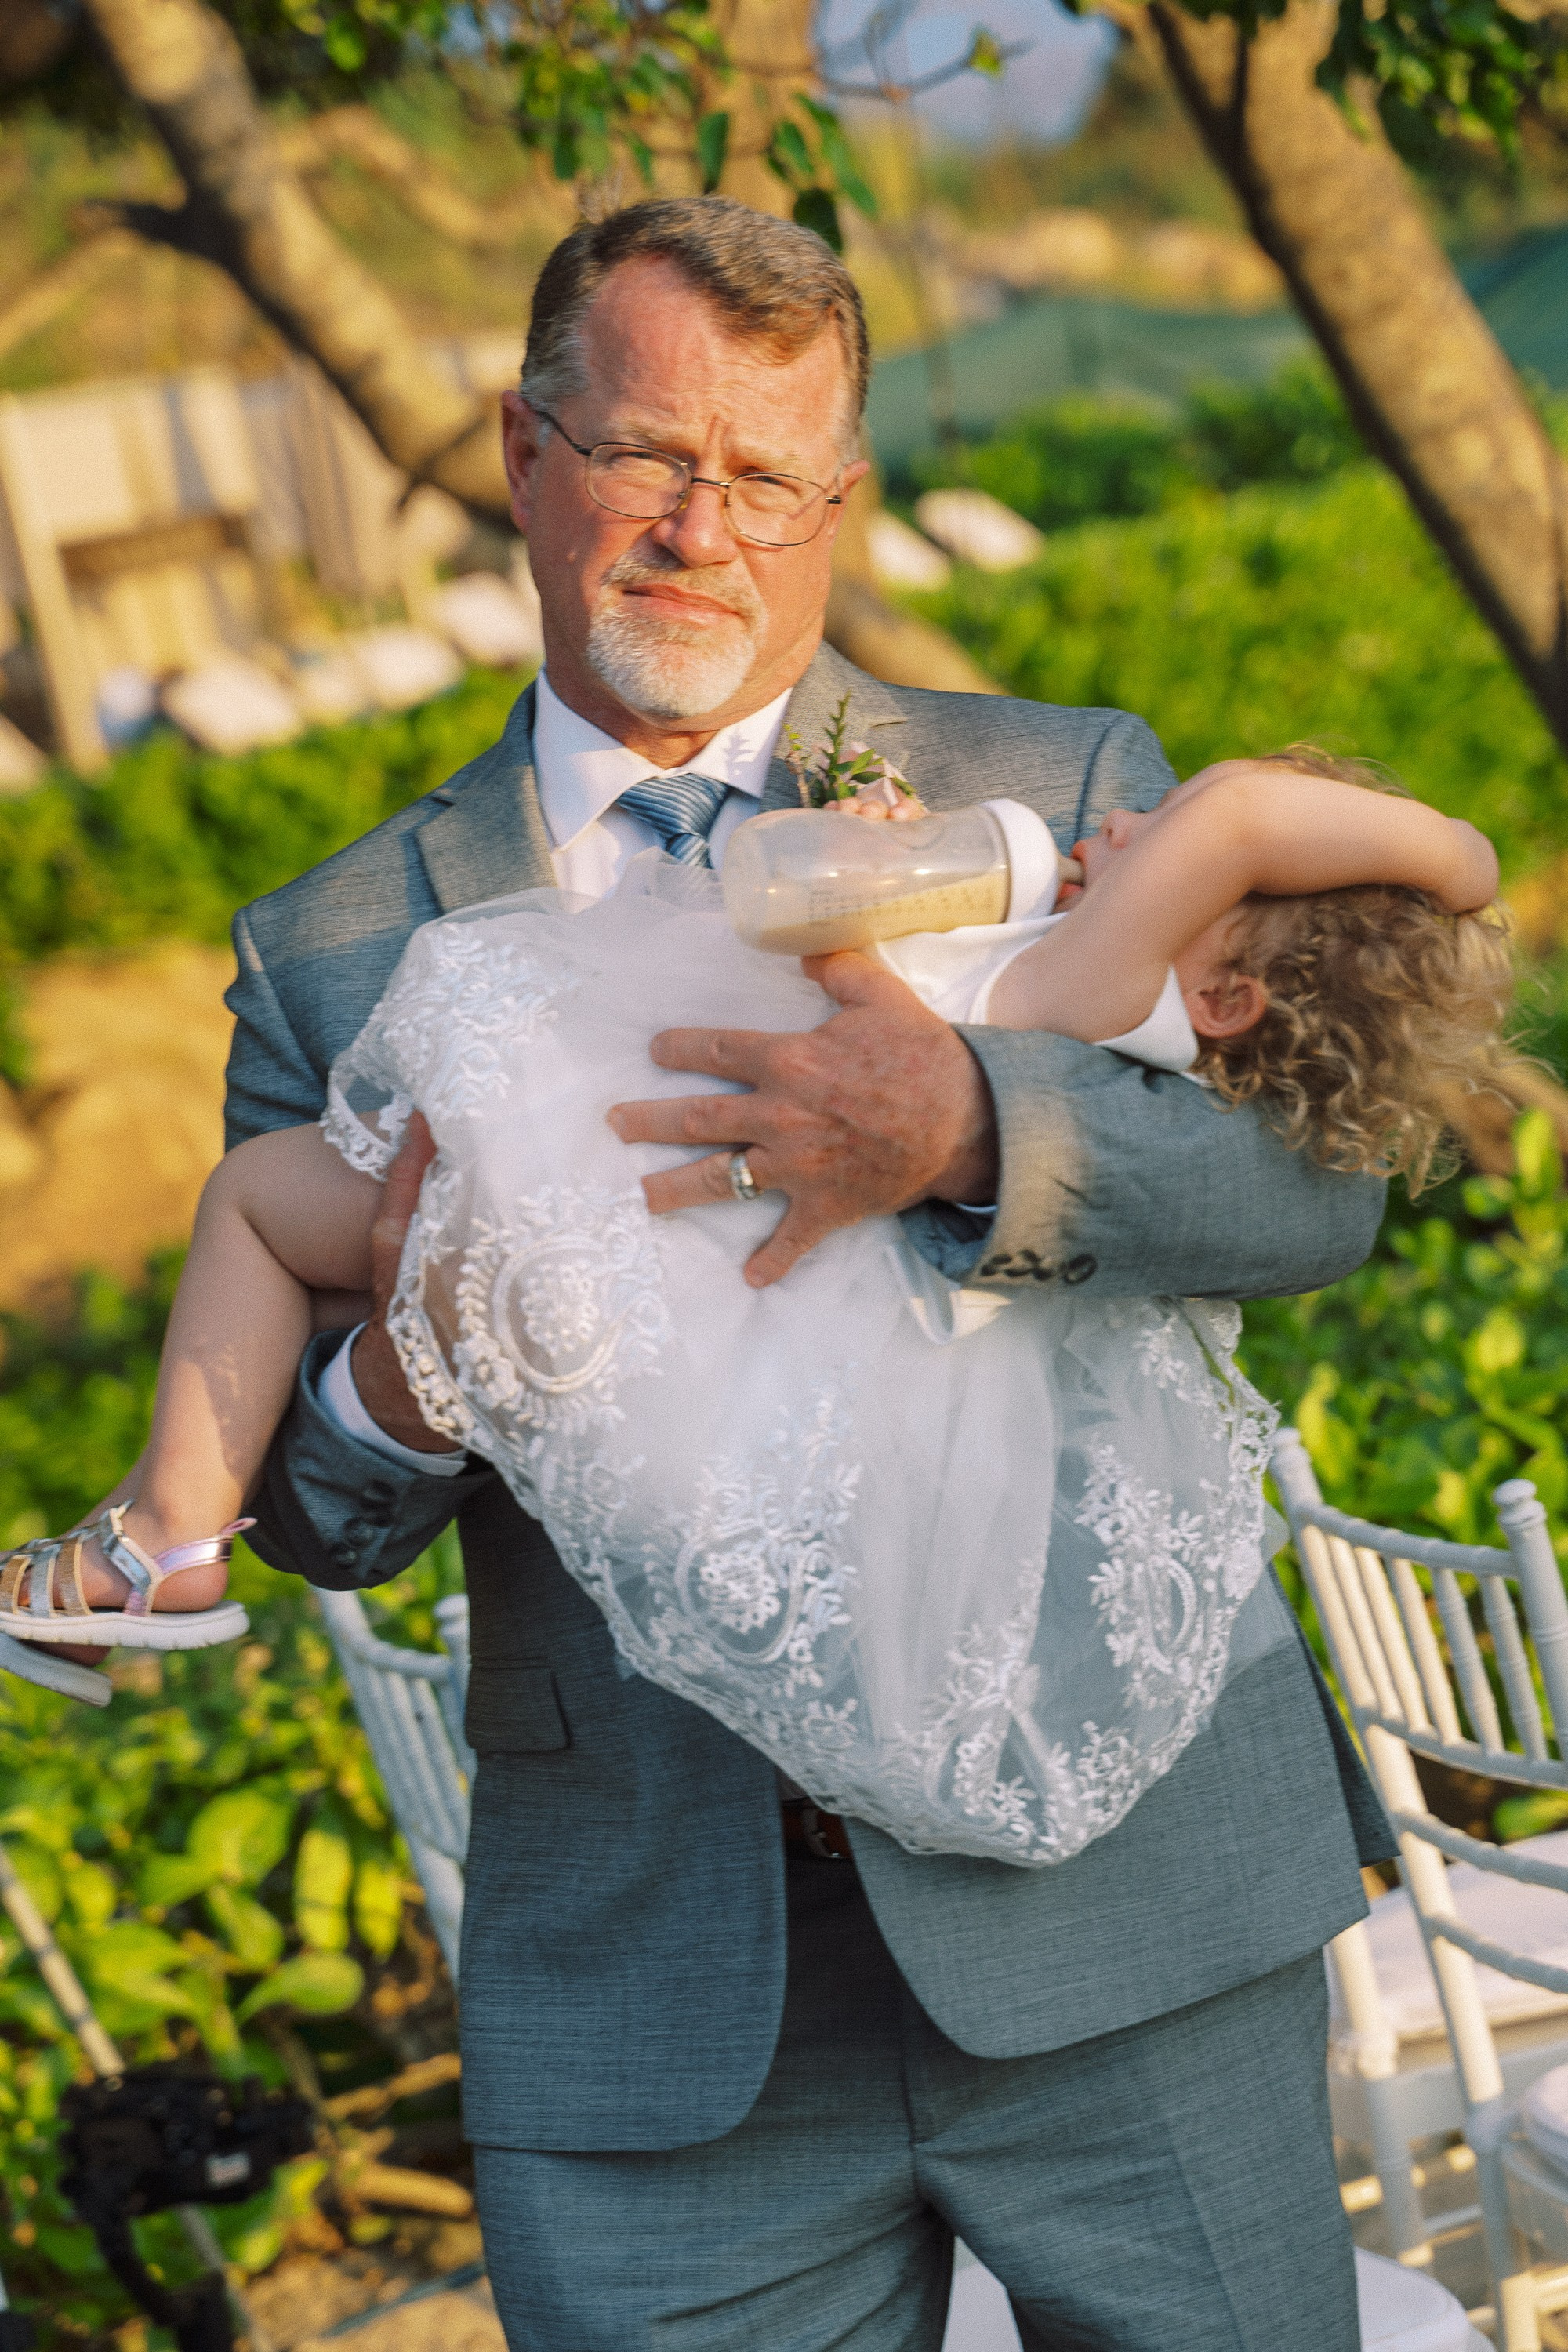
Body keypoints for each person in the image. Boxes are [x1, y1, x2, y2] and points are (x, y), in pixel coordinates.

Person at [120, 196, 1411, 2344]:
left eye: (767, 477)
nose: (698, 529)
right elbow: (314, 1519)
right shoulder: (337, 944)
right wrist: (411, 1380)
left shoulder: (1065, 792)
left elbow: (1311, 1204)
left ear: (842, 500)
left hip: (1124, 1925)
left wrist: (971, 1128)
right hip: (660, 2016)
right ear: (523, 452)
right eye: (645, 453)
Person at [0, 760, 1507, 1885]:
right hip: (662, 1276)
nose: (1131, 820)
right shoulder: (1075, 961)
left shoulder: (1095, 978)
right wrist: (404, 1377)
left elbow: (1240, 832)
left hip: (636, 1218)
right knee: (318, 1275)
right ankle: (153, 1546)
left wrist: (1460, 853)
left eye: (1163, 835)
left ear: (1227, 995)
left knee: (257, 1201)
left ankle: (158, 1540)